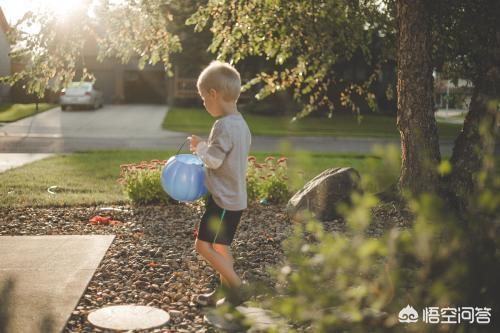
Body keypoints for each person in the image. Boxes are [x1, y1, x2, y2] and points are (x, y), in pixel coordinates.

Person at [188, 61, 252, 307]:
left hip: (223, 200)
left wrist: (199, 147)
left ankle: (236, 286)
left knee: (203, 246)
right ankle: (222, 294)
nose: (204, 103)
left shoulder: (223, 125)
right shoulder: (241, 124)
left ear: (213, 94)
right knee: (221, 247)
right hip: (235, 199)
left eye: (204, 97)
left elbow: (214, 160)